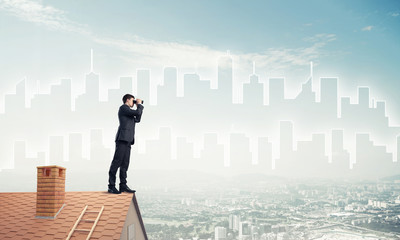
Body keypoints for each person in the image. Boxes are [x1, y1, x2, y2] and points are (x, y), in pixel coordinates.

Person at [108, 94, 144, 194]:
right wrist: (139, 105)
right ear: (127, 100)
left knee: (125, 164)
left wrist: (139, 106)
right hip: (122, 139)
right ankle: (111, 186)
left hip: (128, 140)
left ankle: (123, 185)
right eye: (133, 100)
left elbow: (138, 118)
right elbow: (137, 112)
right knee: (117, 162)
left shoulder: (130, 113)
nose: (134, 102)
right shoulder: (123, 108)